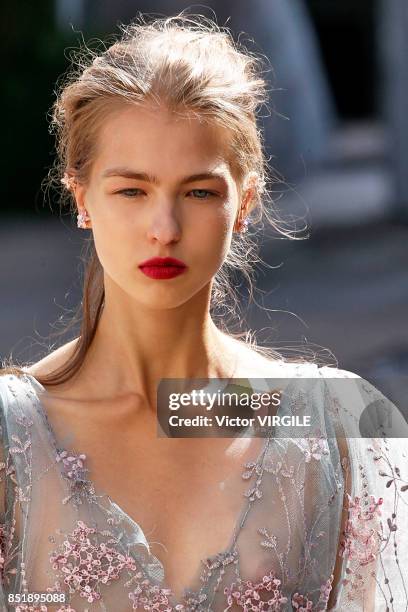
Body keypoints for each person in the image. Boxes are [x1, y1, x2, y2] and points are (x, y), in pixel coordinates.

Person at [0, 13, 407, 612]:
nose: (163, 229)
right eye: (132, 190)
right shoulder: (9, 440)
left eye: (198, 192)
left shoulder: (341, 426)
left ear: (244, 202)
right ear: (82, 198)